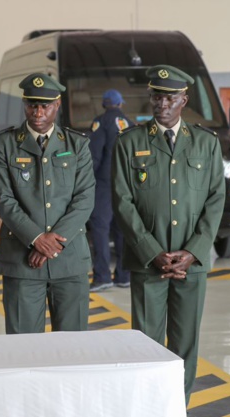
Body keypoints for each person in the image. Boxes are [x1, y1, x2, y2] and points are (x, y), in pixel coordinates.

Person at [112, 65, 226, 417]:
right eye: (157, 96)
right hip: (149, 265)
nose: (162, 104)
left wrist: (193, 252)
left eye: (170, 98)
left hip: (191, 267)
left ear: (184, 101)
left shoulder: (205, 143)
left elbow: (215, 201)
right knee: (146, 343)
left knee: (185, 345)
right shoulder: (129, 142)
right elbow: (122, 202)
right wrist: (152, 252)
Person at [0, 73, 95, 334]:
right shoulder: (3, 144)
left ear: (57, 105)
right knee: (25, 348)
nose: (38, 112)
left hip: (69, 262)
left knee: (73, 348)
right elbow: (3, 198)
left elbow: (84, 198)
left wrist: (50, 244)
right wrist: (36, 238)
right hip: (22, 262)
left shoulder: (77, 145)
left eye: (45, 105)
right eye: (32, 104)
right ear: (24, 104)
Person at [88, 90, 132, 292]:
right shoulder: (129, 124)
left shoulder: (100, 122)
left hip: (103, 185)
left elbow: (95, 154)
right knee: (122, 230)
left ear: (104, 105)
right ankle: (124, 276)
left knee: (100, 230)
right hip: (125, 184)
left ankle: (102, 276)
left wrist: (86, 182)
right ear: (120, 104)